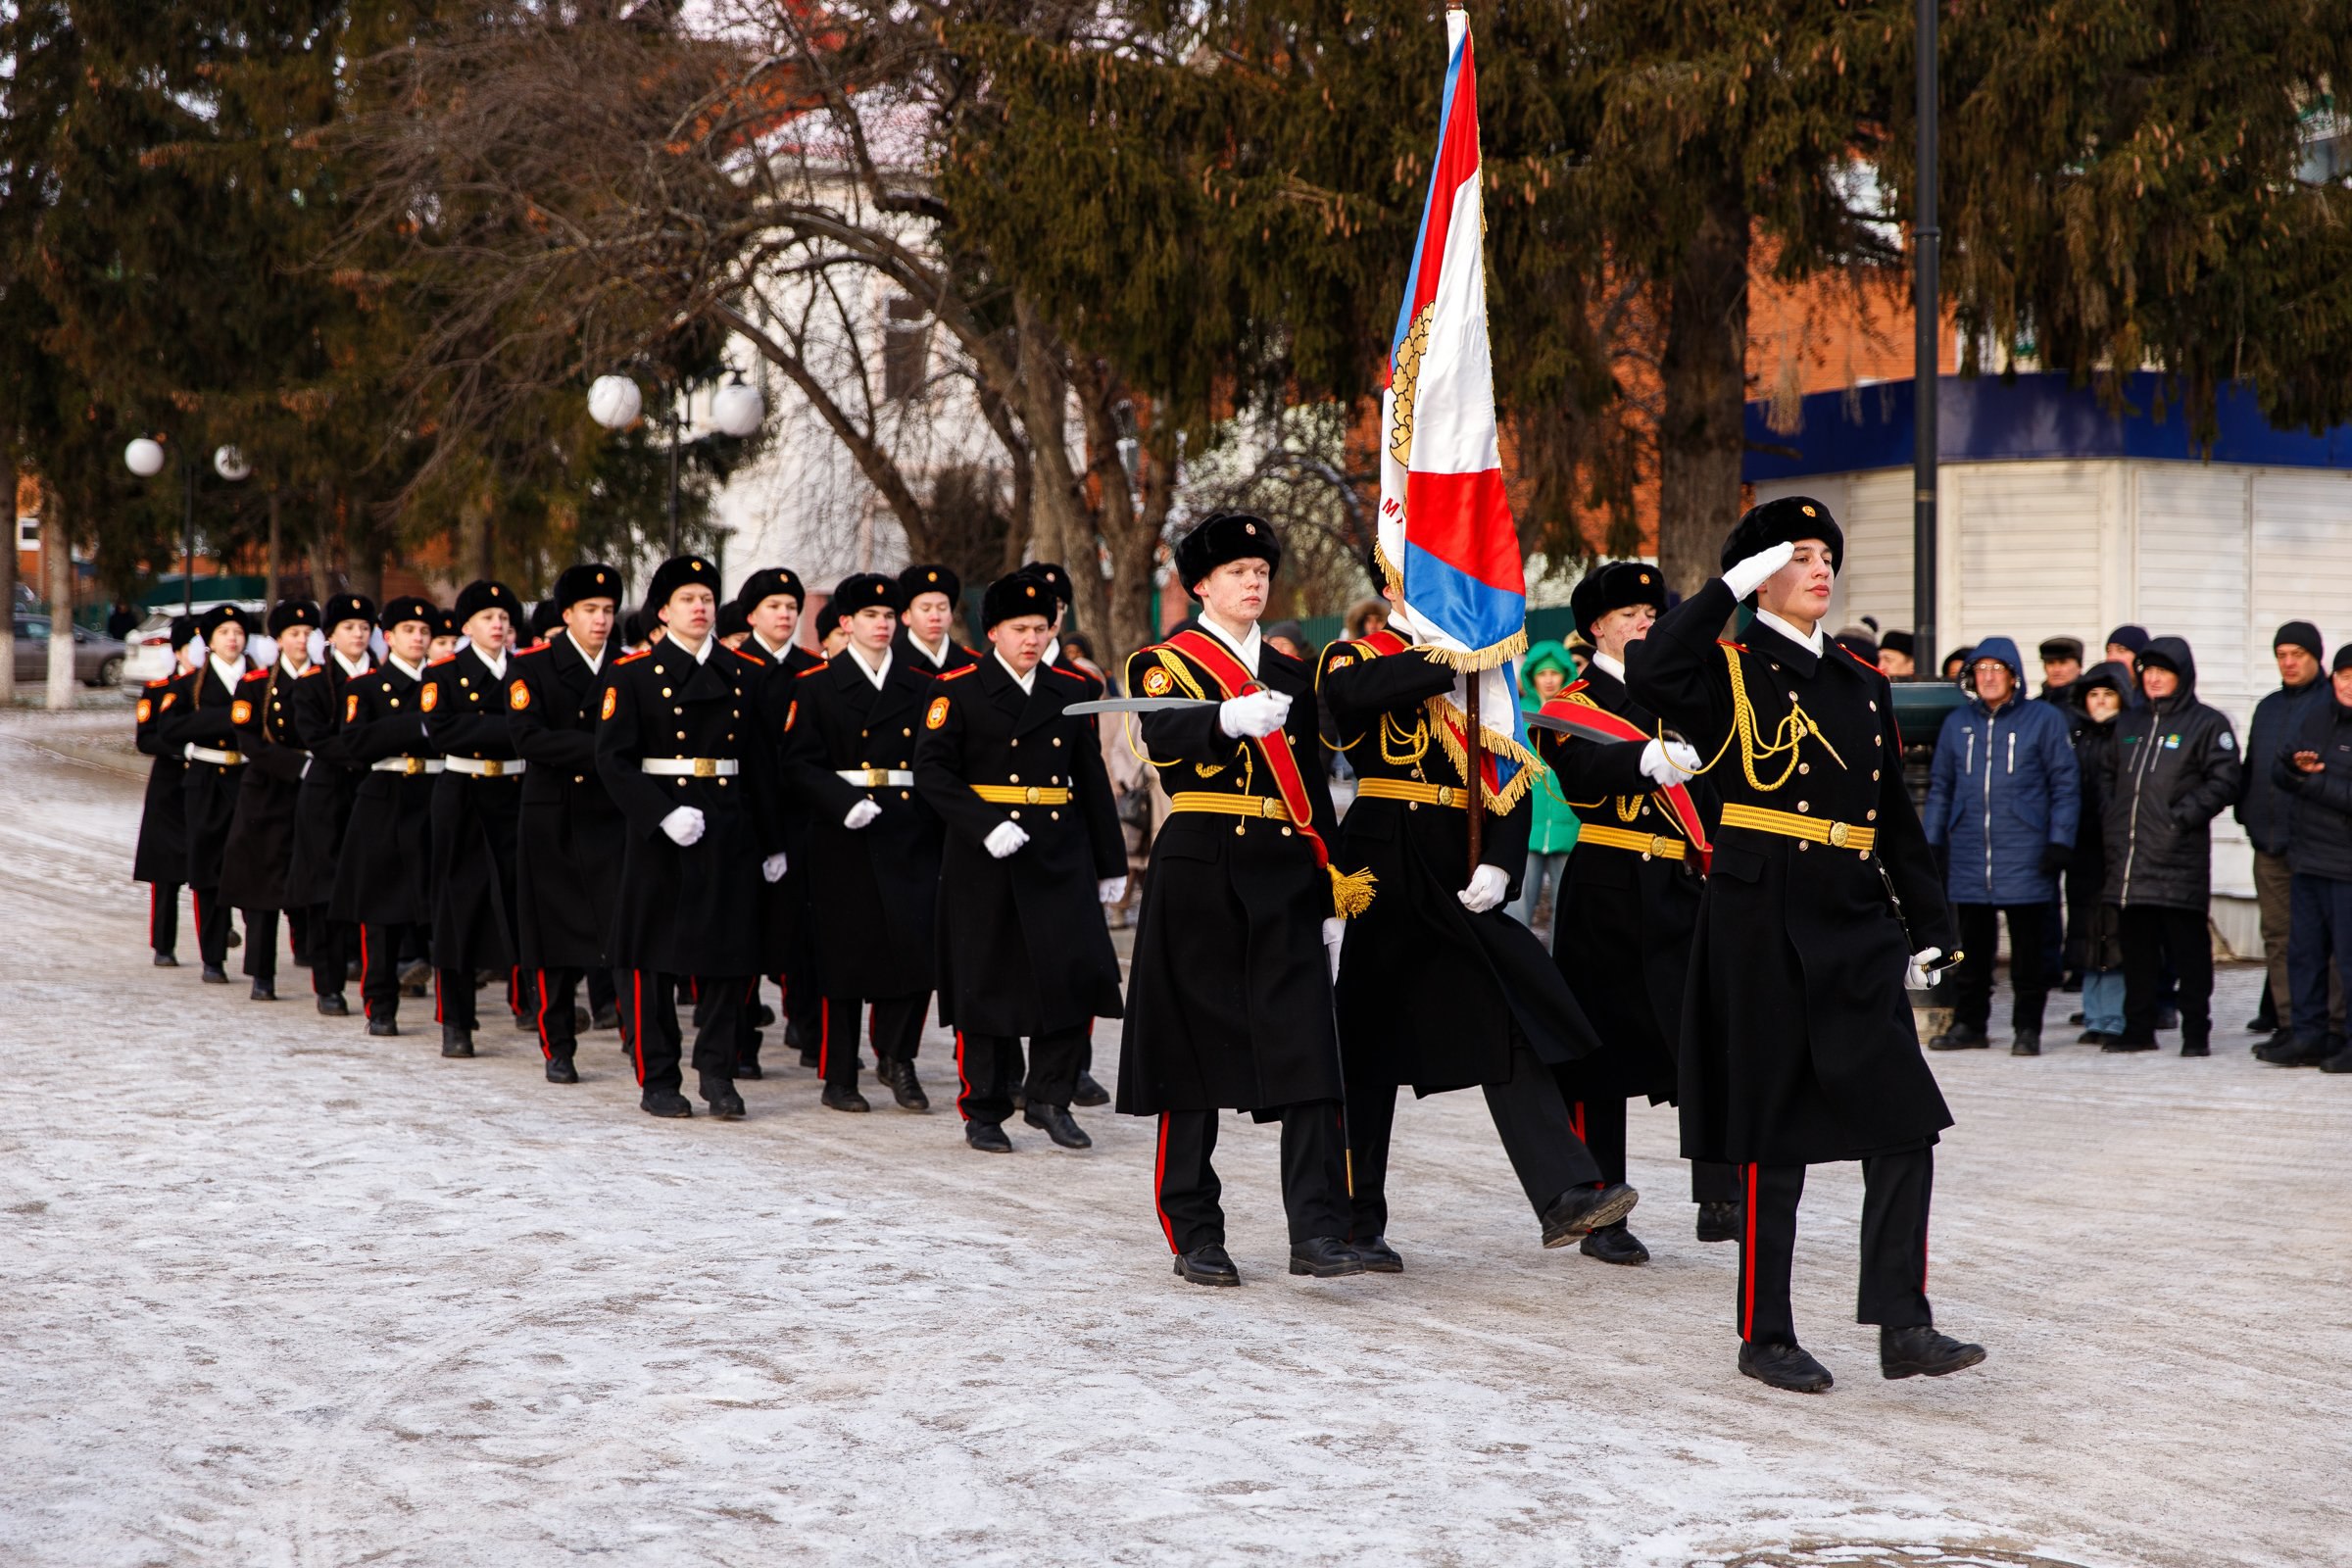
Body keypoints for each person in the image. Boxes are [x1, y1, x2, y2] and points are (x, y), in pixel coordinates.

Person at [1630, 496, 1984, 1394]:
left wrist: (1931, 925)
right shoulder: (1727, 669)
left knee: (1906, 1123)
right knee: (1771, 1137)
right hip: (1761, 922)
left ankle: (1903, 1324)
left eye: (1827, 554)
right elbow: (1650, 669)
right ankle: (1766, 1334)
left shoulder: (1861, 679)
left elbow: (1892, 816)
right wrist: (1725, 590)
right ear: (1759, 577)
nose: (1821, 567)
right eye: (1798, 555)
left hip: (1854, 919)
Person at [1118, 512, 1364, 1285]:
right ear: (1201, 585)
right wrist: (1224, 719)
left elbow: (1314, 792)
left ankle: (1317, 1231)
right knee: (1190, 1057)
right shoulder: (1165, 663)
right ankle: (1195, 1229)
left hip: (1284, 870)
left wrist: (1330, 896)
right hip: (1201, 866)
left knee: (1309, 1049)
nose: (1254, 582)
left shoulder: (1291, 675)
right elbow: (1162, 738)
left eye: (1261, 571)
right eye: (1237, 572)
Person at [1537, 560, 1743, 1253]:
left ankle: (1721, 1195)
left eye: (1653, 616)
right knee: (1600, 1056)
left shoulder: (1682, 691)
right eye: (1630, 616)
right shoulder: (1574, 702)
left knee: (1706, 1038)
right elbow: (1577, 772)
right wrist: (1640, 762)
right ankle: (1604, 1215)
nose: (1645, 626)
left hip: (1684, 882)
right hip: (1609, 887)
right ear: (1596, 628)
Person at [913, 571, 1127, 1152]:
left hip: (1058, 851)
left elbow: (1091, 779)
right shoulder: (957, 689)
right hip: (985, 856)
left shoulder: (1068, 689)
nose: (1031, 639)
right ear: (994, 632)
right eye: (1019, 629)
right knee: (986, 983)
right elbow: (931, 771)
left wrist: (1111, 863)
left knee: (1073, 976)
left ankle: (1050, 1099)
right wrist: (985, 824)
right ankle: (983, 1109)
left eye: (1040, 628)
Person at [595, 554, 788, 1119]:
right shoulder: (632, 675)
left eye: (706, 598)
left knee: (730, 955)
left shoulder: (744, 674)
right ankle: (658, 1077)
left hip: (727, 823)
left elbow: (761, 763)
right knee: (653, 959)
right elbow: (612, 760)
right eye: (687, 599)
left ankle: (718, 1073)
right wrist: (659, 814)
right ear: (663, 611)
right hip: (661, 830)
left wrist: (772, 840)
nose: (700, 607)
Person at [780, 571, 946, 1112]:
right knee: (844, 959)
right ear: (847, 623)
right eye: (871, 615)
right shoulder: (816, 685)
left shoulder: (920, 685)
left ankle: (899, 1058)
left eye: (889, 616)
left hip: (907, 830)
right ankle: (839, 1074)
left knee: (913, 952)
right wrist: (840, 800)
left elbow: (935, 761)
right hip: (842, 834)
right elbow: (798, 763)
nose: (882, 624)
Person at [1921, 637, 2080, 1055]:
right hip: (1970, 852)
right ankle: (1969, 1024)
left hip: (2027, 852)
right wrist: (1932, 840)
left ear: (2014, 676)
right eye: (1981, 669)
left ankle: (2027, 1029)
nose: (1988, 677)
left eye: (1997, 669)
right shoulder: (1958, 724)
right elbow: (1942, 786)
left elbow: (2065, 784)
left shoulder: (2043, 720)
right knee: (1970, 951)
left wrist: (2060, 840)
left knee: (2029, 952)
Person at [508, 564, 625, 1084]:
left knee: (622, 932)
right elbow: (528, 737)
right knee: (552, 939)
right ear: (568, 614)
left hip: (614, 813)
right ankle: (558, 1044)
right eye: (590, 610)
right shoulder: (533, 667)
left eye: (608, 610)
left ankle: (634, 1034)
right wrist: (607, 751)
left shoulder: (628, 666)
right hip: (552, 813)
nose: (601, 620)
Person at [2100, 636, 2240, 1054]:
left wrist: (2181, 817)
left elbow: (2225, 779)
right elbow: (2107, 774)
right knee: (2137, 949)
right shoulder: (2129, 723)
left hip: (2178, 856)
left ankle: (2196, 1032)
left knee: (2188, 951)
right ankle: (2138, 1028)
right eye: (2149, 671)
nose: (2155, 679)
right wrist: (2112, 815)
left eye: (2165, 671)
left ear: (2183, 675)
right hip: (2131, 858)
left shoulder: (2206, 723)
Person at [419, 579, 530, 1058]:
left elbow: (537, 730)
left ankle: (531, 1003)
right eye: (487, 618)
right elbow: (443, 732)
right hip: (462, 794)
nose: (498, 624)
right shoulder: (443, 673)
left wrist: (486, 728)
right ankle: (456, 1020)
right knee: (457, 907)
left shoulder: (526, 671)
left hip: (515, 792)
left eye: (504, 617)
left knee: (522, 902)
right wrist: (511, 729)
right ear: (466, 626)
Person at [331, 596, 442, 1036]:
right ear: (389, 637)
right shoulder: (366, 688)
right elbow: (356, 743)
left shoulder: (444, 682)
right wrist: (418, 725)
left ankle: (453, 1013)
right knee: (381, 912)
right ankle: (380, 1003)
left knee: (441, 906)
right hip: (386, 799)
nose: (418, 638)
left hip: (435, 794)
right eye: (409, 631)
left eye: (425, 632)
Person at [735, 567, 824, 1070]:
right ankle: (742, 1041)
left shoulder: (813, 669)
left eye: (791, 606)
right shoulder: (733, 667)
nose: (785, 614)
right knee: (746, 931)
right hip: (748, 815)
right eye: (774, 606)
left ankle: (812, 1034)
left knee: (806, 931)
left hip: (801, 815)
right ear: (751, 615)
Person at [217, 598, 323, 1002]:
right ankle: (262, 973)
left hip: (315, 792)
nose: (302, 641)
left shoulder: (324, 681)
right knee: (261, 885)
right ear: (278, 639)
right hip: (267, 792)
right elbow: (249, 741)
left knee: (314, 877)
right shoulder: (256, 684)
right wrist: (298, 766)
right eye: (294, 634)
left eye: (309, 633)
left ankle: (318, 959)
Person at [2237, 622, 2334, 1054]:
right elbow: (2253, 766)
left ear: (2316, 656)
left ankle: (2328, 1025)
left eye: (2298, 654)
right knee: (2278, 936)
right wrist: (2247, 815)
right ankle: (2290, 1022)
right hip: (2269, 841)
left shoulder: (2331, 704)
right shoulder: (2268, 708)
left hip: (2317, 844)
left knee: (2322, 939)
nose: (2289, 663)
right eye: (2282, 655)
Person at [284, 594, 376, 1017]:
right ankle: (329, 984)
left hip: (374, 791)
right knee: (325, 892)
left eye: (365, 627)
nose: (358, 634)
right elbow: (315, 737)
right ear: (331, 636)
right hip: (327, 793)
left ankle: (378, 977)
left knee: (373, 886)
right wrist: (366, 751)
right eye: (349, 627)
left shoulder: (383, 677)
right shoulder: (312, 683)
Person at [162, 604, 262, 983]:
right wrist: (229, 717)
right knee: (208, 870)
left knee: (254, 866)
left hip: (251, 779)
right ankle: (213, 956)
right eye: (224, 633)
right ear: (209, 641)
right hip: (206, 781)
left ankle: (259, 962)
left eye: (238, 632)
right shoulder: (190, 685)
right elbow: (169, 729)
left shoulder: (260, 681)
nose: (233, 639)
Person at [2265, 647, 2352, 1071]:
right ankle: (2308, 1036)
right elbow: (2281, 771)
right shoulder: (2317, 717)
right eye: (2344, 676)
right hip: (2308, 858)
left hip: (2347, 867)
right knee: (2305, 955)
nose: (2349, 685)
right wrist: (2293, 768)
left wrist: (2310, 783)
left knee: (2349, 961)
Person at [2066, 663, 2132, 1045]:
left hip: (2119, 844)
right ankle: (2094, 1014)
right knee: (2086, 929)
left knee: (2116, 931)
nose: (2101, 702)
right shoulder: (2076, 737)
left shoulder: (2129, 736)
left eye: (2108, 694)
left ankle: (2116, 1015)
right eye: (2093, 695)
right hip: (2082, 845)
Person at [132, 616, 197, 967]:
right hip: (169, 787)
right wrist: (182, 749)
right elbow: (145, 739)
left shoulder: (220, 690)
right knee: (166, 870)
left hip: (208, 784)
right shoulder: (158, 690)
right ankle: (163, 944)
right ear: (178, 651)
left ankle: (220, 931)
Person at [1509, 638, 1581, 941]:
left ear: (1565, 675)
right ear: (1532, 676)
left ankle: (1559, 969)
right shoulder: (1517, 714)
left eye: (1555, 672)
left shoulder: (1577, 714)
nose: (1549, 679)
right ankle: (1515, 967)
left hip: (1569, 829)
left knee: (1566, 915)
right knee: (1516, 912)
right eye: (1542, 673)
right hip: (1528, 827)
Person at [896, 563, 977, 676]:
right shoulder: (892, 663)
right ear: (906, 616)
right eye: (926, 609)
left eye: (942, 608)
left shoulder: (971, 665)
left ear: (951, 615)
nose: (935, 617)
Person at [2038, 637, 2084, 709]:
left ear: (2079, 666)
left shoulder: (2088, 705)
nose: (2056, 669)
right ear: (2044, 667)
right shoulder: (2036, 707)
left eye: (2063, 663)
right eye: (2050, 663)